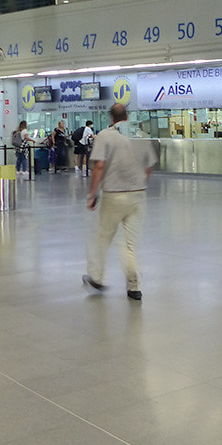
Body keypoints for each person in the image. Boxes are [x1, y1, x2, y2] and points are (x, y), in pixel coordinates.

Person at [83, 103, 156, 301]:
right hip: (138, 196)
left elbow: (99, 166)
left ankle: (97, 277)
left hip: (114, 195)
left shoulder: (104, 136)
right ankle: (134, 286)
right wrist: (139, 184)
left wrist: (92, 194)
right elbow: (149, 167)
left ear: (111, 118)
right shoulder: (140, 136)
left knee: (104, 236)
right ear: (127, 116)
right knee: (129, 244)